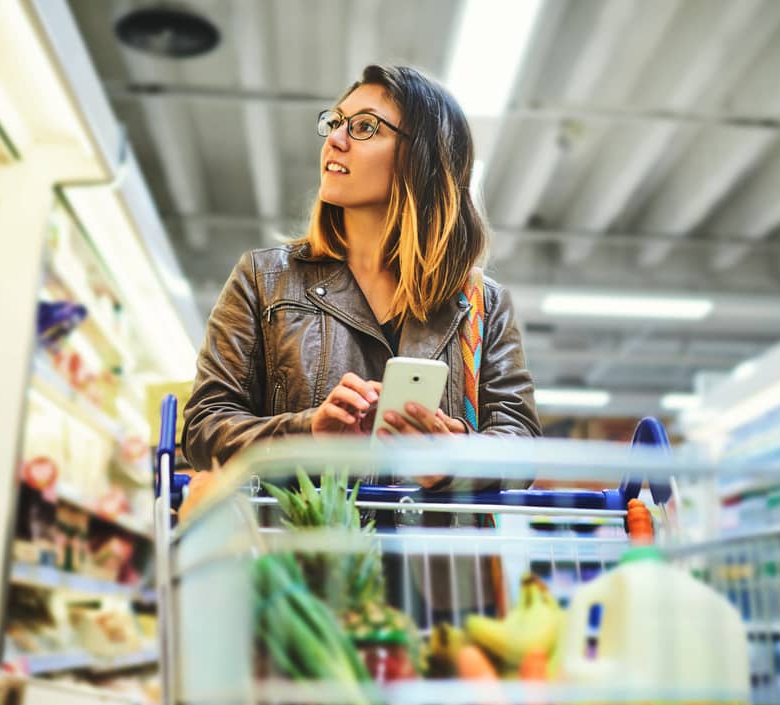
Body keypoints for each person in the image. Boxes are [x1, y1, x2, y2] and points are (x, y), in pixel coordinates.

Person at [182, 64, 541, 621]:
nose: (336, 139)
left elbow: (521, 442)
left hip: (439, 598)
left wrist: (451, 460)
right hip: (299, 592)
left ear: (422, 158)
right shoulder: (264, 280)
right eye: (335, 122)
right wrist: (307, 433)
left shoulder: (482, 304)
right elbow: (204, 428)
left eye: (366, 127)